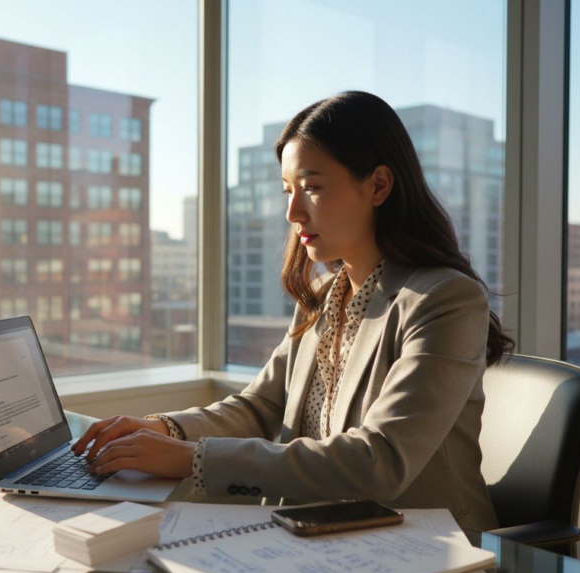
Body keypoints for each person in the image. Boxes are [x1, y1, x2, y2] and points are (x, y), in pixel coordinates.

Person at [73, 90, 513, 532]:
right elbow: (261, 406)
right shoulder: (323, 296)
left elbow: (381, 460)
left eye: (312, 187)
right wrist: (163, 430)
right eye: (287, 190)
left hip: (426, 547)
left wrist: (193, 459)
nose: (292, 211)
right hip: (315, 537)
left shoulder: (443, 299)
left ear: (378, 185)